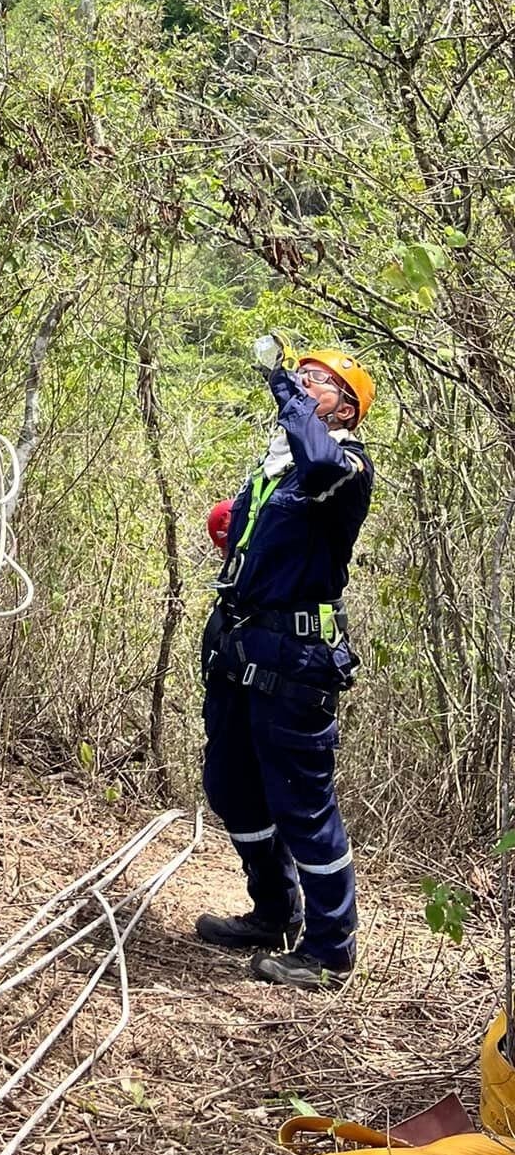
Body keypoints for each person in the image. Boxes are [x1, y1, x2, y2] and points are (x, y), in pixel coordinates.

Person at [197, 338, 376, 991]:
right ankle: (274, 912)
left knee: (303, 805)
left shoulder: (344, 465)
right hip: (242, 648)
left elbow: (322, 464)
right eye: (301, 375)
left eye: (320, 383)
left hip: (298, 659)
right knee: (231, 787)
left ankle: (331, 949)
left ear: (346, 411)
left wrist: (282, 389)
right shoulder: (275, 472)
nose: (305, 385)